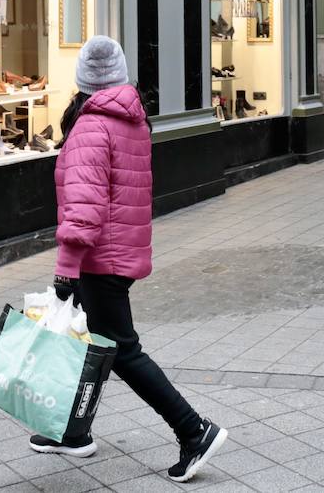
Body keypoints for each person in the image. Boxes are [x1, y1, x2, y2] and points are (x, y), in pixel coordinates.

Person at [31, 35, 226, 483]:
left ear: (81, 79)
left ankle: (194, 430)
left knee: (121, 350)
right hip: (121, 250)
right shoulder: (131, 117)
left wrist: (66, 269)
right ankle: (71, 431)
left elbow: (83, 208)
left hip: (100, 258)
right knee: (95, 344)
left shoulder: (91, 125)